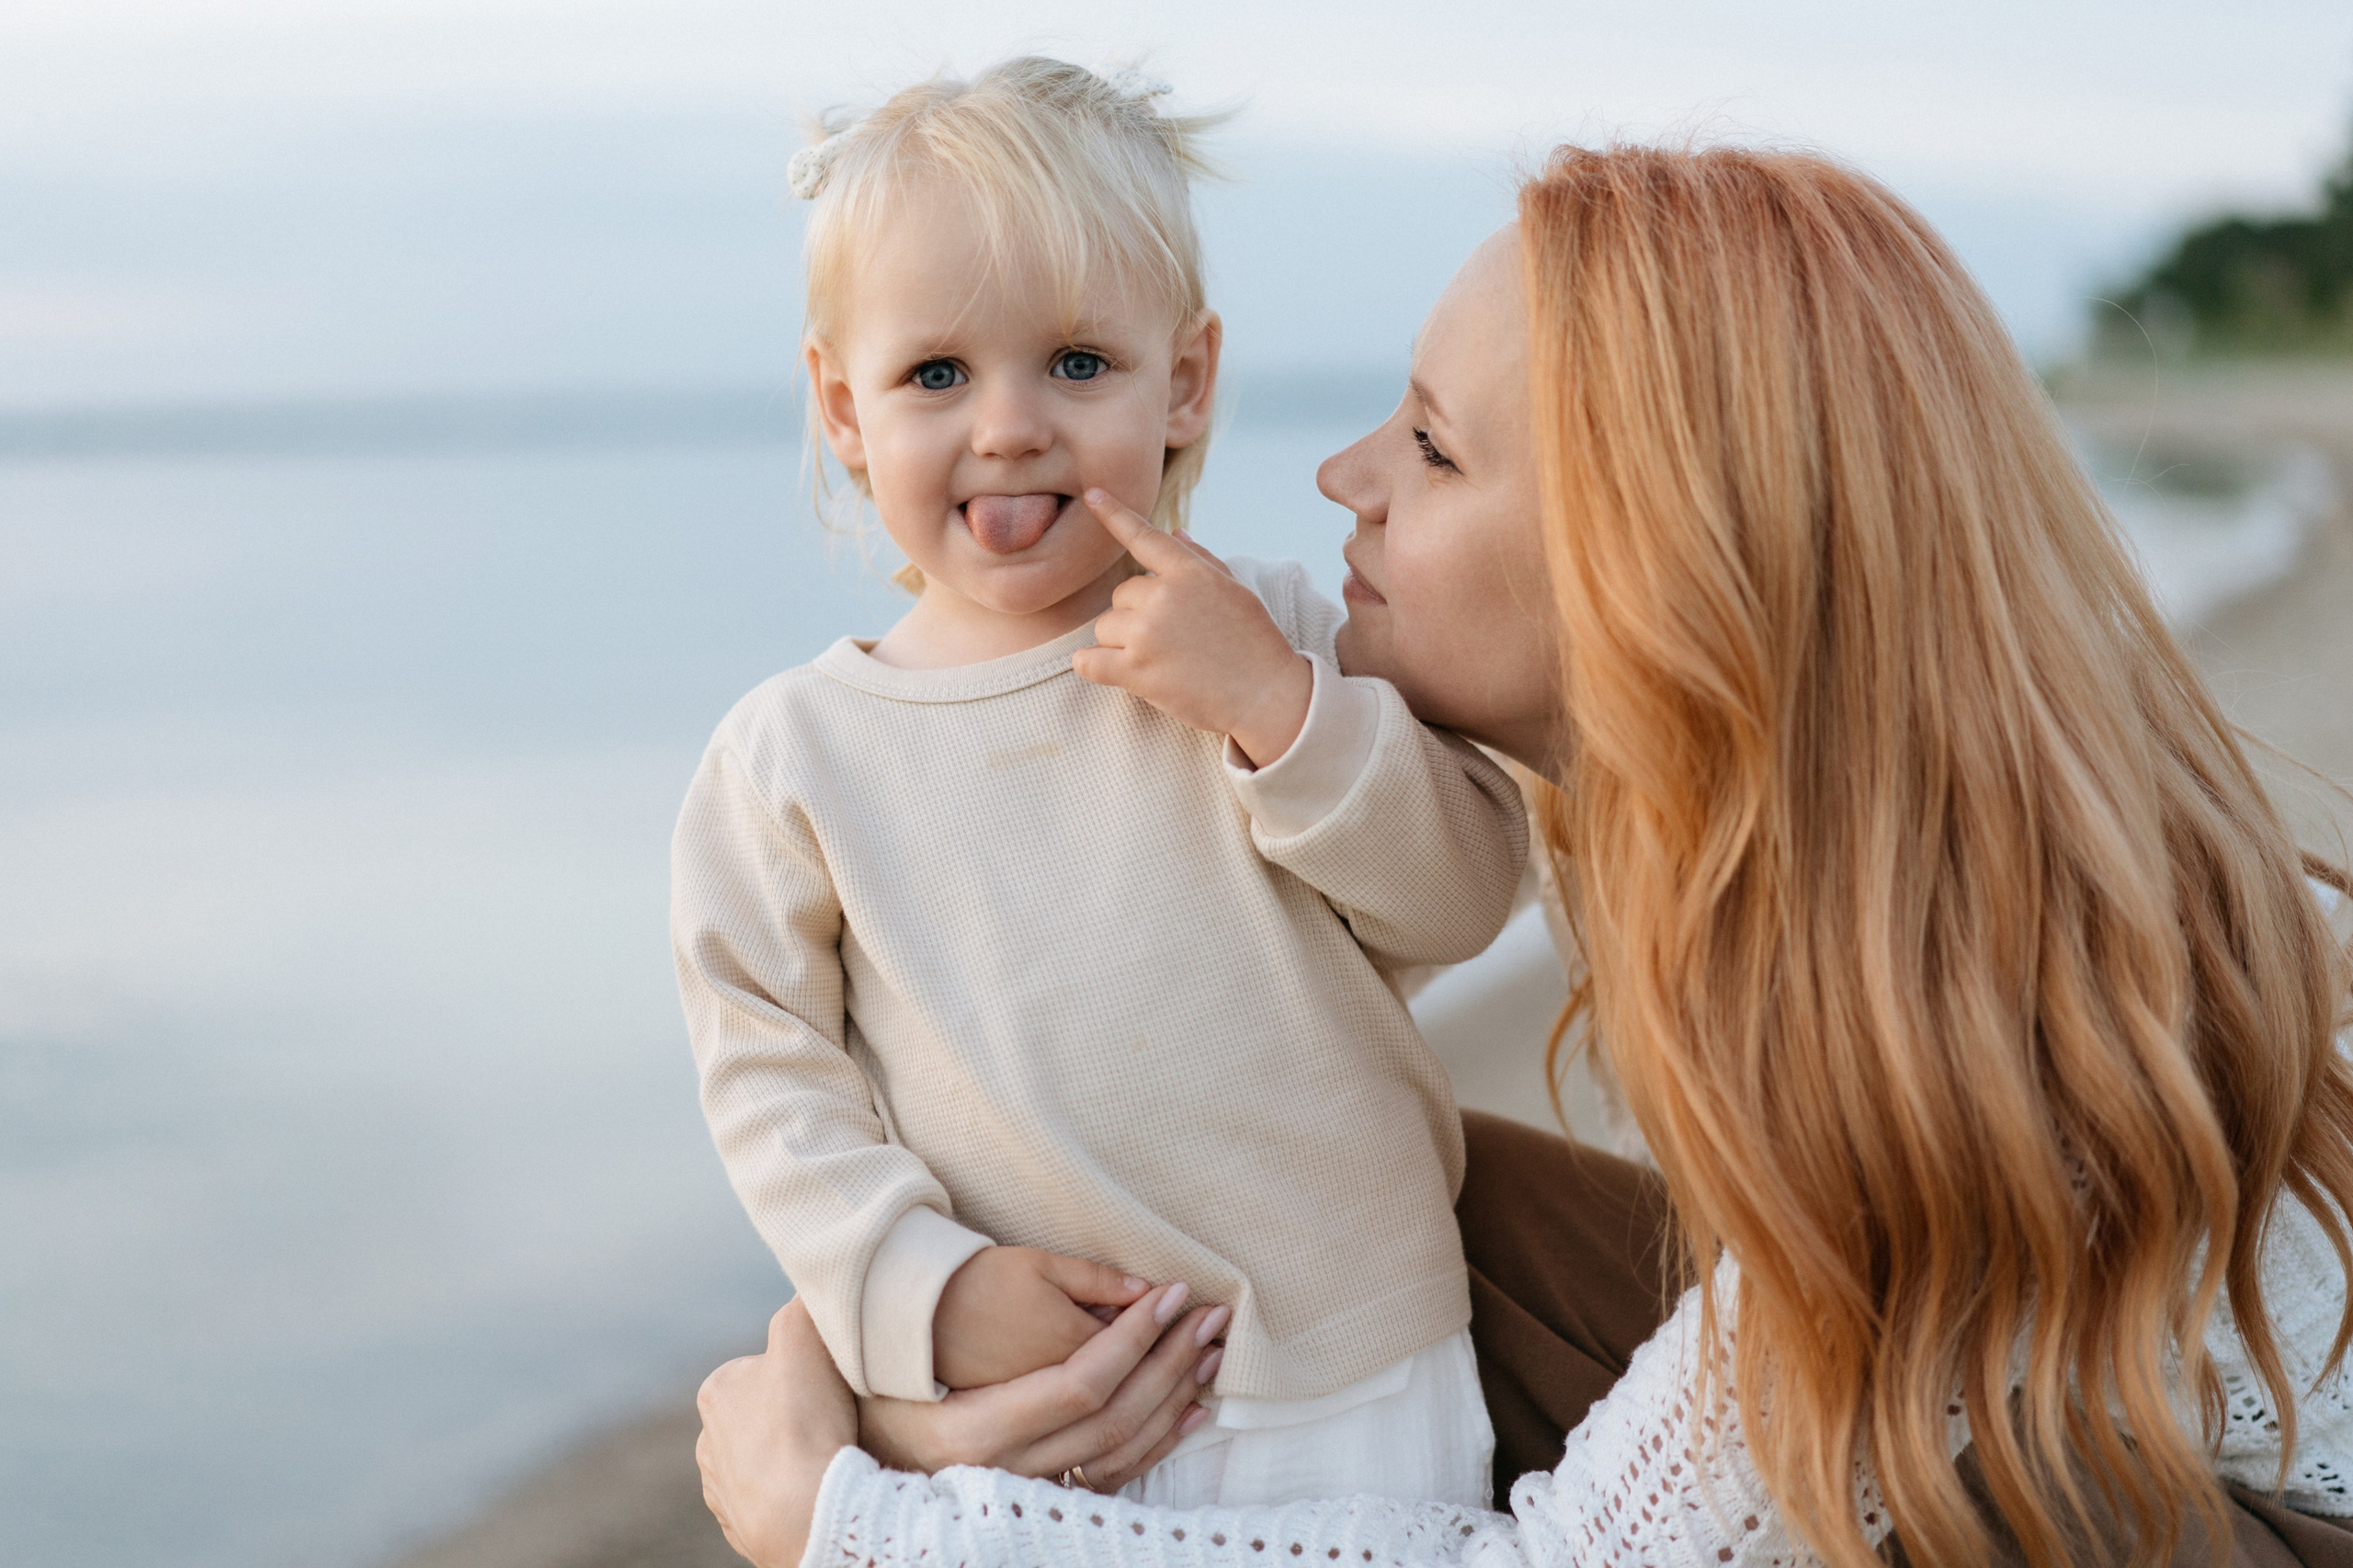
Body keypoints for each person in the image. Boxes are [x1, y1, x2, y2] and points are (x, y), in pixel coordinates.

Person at [693, 142, 2353, 1568]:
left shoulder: (1970, 1048)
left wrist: (850, 1523)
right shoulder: (1910, 889)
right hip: (2089, 1432)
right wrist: (912, 1311)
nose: (1343, 479)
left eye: (1430, 446)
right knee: (1441, 1197)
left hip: (2218, 1522)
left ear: (1659, 571)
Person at [669, 57, 1526, 1514]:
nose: (1008, 424)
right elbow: (771, 1080)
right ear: (842, 408)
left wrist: (1274, 709)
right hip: (1051, 1408)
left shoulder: (1273, 634)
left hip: (1366, 1363)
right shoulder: (794, 754)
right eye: (937, 374)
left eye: (1076, 363)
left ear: (1182, 382)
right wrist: (924, 1292)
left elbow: (1462, 893)